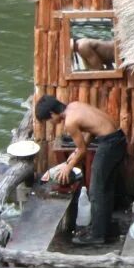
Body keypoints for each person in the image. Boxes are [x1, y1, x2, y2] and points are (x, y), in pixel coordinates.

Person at [34, 93, 127, 245]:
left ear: (52, 113)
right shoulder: (74, 106)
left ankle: (97, 236)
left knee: (96, 190)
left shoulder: (69, 122)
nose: (51, 123)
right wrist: (76, 152)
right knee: (107, 187)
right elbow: (92, 130)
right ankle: (105, 228)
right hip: (118, 139)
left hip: (109, 144)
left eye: (49, 120)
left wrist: (68, 166)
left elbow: (83, 151)